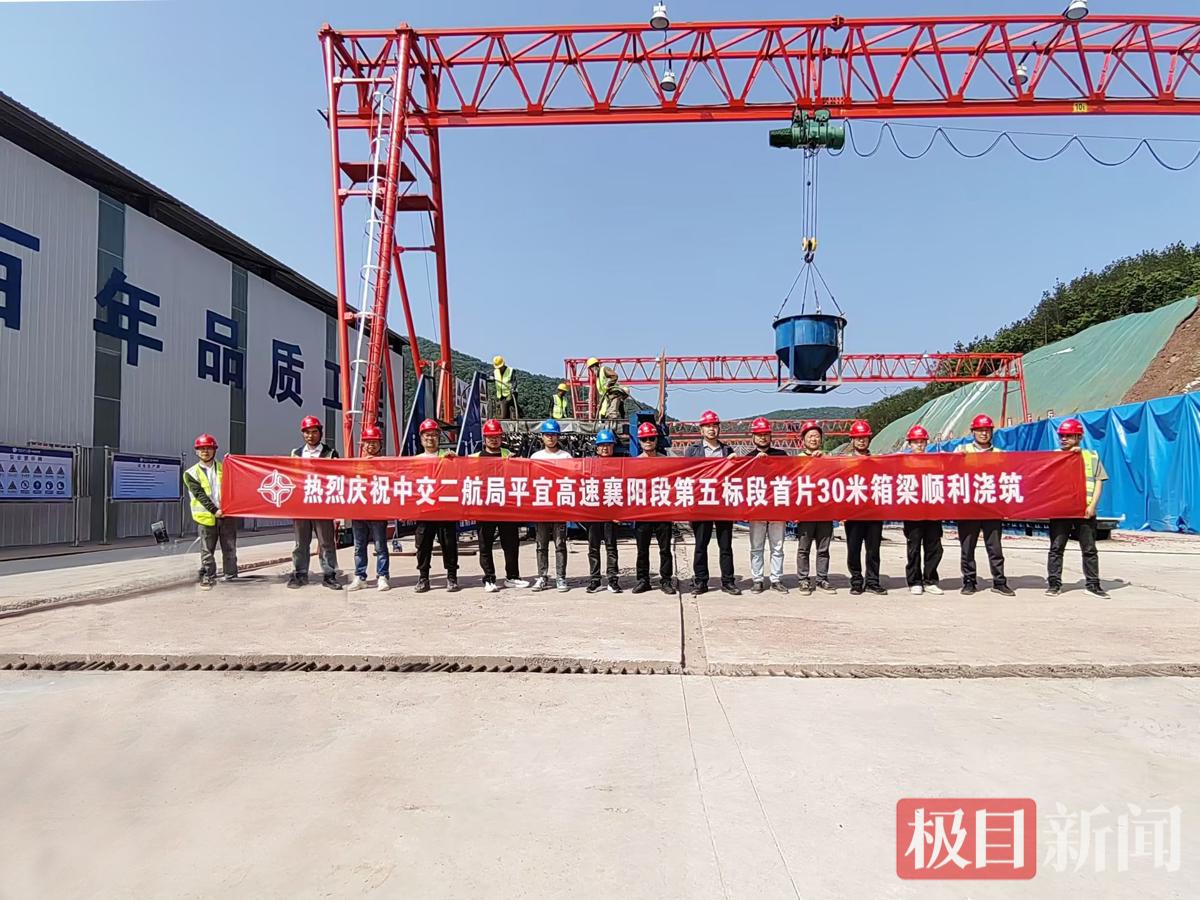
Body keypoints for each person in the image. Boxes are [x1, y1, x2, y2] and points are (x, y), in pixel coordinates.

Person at [1046, 418, 1110, 599]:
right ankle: (1054, 584)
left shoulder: (1091, 457)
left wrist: (1093, 505)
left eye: (1068, 435)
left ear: (1079, 437)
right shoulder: (1052, 457)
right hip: (1060, 511)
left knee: (1089, 549)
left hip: (1084, 511)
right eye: (1061, 435)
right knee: (1056, 548)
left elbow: (1099, 482)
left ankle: (1093, 584)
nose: (1063, 439)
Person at [956, 414, 1015, 596]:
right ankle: (969, 581)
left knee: (995, 547)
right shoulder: (962, 450)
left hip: (991, 507)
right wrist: (956, 460)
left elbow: (1007, 477)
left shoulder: (999, 454)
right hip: (968, 507)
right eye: (980, 430)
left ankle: (999, 581)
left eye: (987, 430)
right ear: (973, 432)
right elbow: (950, 472)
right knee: (967, 548)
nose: (983, 433)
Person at [684, 410, 740, 595]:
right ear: (701, 430)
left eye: (714, 425)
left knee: (725, 546)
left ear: (719, 428)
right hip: (701, 503)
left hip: (723, 503)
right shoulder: (692, 451)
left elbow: (736, 475)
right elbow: (686, 475)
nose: (711, 429)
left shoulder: (727, 451)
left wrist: (734, 462)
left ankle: (728, 581)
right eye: (707, 426)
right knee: (701, 545)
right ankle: (701, 581)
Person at [473, 418, 528, 592]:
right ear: (484, 438)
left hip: (506, 507)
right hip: (485, 508)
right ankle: (489, 579)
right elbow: (458, 469)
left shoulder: (509, 455)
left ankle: (512, 576)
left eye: (497, 436)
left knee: (511, 544)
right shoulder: (475, 458)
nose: (494, 440)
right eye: (490, 437)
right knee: (485, 545)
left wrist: (517, 463)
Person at [287, 415, 341, 591]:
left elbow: (337, 478)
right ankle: (300, 574)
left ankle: (329, 575)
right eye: (307, 432)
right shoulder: (296, 454)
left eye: (314, 432)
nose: (310, 436)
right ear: (303, 434)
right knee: (301, 543)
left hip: (322, 506)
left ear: (320, 433)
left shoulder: (330, 453)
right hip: (301, 506)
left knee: (326, 542)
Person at [183, 433, 237, 589]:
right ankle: (208, 576)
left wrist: (233, 462)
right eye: (201, 449)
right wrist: (214, 510)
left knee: (230, 549)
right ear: (196, 451)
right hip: (206, 518)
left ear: (214, 450)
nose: (205, 451)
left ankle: (231, 576)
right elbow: (199, 495)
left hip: (227, 517)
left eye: (208, 448)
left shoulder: (225, 468)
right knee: (207, 551)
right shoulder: (191, 473)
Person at [413, 418, 460, 593]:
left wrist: (455, 461)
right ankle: (423, 577)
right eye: (427, 435)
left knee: (449, 543)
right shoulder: (415, 461)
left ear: (439, 437)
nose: (430, 438)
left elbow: (460, 475)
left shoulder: (448, 457)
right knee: (423, 544)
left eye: (433, 435)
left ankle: (452, 576)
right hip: (425, 508)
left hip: (445, 508)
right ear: (421, 438)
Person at [743, 417, 788, 594]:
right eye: (759, 434)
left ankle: (776, 579)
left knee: (777, 546)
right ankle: (758, 579)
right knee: (757, 547)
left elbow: (790, 476)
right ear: (753, 437)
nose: (762, 437)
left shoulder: (781, 456)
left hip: (777, 508)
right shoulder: (747, 458)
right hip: (757, 508)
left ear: (770, 436)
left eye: (765, 434)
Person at [632, 421, 676, 595]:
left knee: (665, 549)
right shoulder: (634, 464)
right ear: (640, 441)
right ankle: (643, 580)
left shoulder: (667, 462)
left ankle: (666, 580)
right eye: (644, 439)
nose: (648, 442)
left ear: (656, 439)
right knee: (642, 549)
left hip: (663, 511)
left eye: (651, 438)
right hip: (643, 512)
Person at [844, 419, 887, 596]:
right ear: (852, 440)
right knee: (853, 549)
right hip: (853, 512)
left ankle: (872, 581)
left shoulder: (877, 460)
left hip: (874, 512)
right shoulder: (844, 462)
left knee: (873, 549)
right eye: (858, 438)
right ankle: (856, 581)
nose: (861, 441)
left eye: (864, 437)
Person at [901, 424, 944, 596]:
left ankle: (930, 580)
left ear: (926, 443)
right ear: (910, 444)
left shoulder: (935, 461)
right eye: (915, 442)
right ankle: (914, 581)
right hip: (912, 512)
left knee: (934, 547)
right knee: (914, 548)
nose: (919, 445)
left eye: (922, 441)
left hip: (932, 510)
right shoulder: (903, 463)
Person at [347, 425, 390, 593]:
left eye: (374, 442)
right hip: (359, 511)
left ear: (380, 444)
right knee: (359, 546)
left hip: (378, 512)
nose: (371, 445)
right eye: (368, 442)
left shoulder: (386, 464)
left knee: (380, 546)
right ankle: (360, 576)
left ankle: (382, 576)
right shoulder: (356, 464)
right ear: (363, 444)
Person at [530, 419, 572, 592]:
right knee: (541, 544)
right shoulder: (536, 457)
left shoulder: (566, 457)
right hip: (542, 506)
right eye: (548, 435)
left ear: (558, 436)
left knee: (560, 544)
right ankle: (542, 576)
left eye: (554, 435)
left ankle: (561, 577)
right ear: (542, 437)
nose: (551, 438)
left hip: (559, 507)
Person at [795, 420, 835, 595]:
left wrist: (824, 459)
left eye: (816, 436)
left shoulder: (829, 458)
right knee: (804, 548)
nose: (813, 439)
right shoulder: (797, 460)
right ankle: (803, 580)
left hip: (825, 510)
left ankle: (822, 578)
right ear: (803, 440)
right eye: (810, 436)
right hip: (806, 511)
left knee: (823, 548)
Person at [586, 429, 622, 593]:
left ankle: (612, 579)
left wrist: (620, 513)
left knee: (611, 547)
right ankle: (595, 579)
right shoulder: (590, 465)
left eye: (608, 444)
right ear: (597, 447)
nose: (605, 448)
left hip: (612, 512)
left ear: (613, 446)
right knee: (593, 547)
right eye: (602, 445)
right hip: (594, 512)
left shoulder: (620, 466)